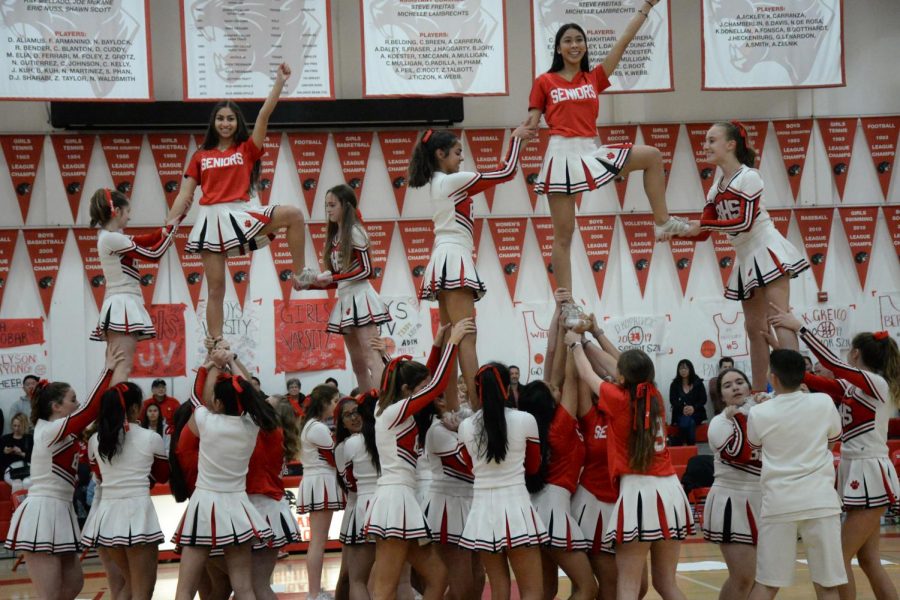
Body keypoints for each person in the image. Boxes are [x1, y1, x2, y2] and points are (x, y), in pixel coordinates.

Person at [524, 11, 691, 299]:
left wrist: (646, 8)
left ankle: (662, 220)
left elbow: (623, 43)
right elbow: (531, 121)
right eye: (567, 40)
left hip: (591, 150)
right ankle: (566, 303)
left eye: (579, 40)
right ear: (558, 48)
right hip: (561, 155)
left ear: (585, 46)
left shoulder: (594, 77)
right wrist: (521, 134)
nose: (574, 45)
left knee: (651, 155)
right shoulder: (544, 82)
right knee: (564, 235)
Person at [166, 63, 316, 351]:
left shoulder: (246, 148)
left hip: (241, 213)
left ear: (237, 123)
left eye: (230, 119)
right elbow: (185, 195)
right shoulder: (200, 156)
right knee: (216, 289)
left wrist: (279, 83)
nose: (225, 123)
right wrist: (167, 225)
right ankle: (215, 343)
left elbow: (263, 115)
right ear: (213, 123)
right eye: (220, 118)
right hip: (210, 221)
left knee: (294, 215)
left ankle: (299, 275)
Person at [769, 308, 900, 600]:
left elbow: (831, 364)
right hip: (857, 472)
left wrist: (800, 327)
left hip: (870, 474)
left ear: (855, 354)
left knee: (838, 559)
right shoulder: (851, 388)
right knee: (868, 560)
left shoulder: (877, 384)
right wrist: (778, 348)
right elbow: (804, 377)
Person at [408, 125, 535, 409]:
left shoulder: (441, 182)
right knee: (465, 335)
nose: (462, 158)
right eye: (457, 152)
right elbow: (505, 173)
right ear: (440, 154)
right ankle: (478, 409)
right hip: (453, 257)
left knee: (451, 337)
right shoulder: (447, 181)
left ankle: (453, 408)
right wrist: (515, 141)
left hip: (446, 256)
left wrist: (519, 145)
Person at [678, 122, 809, 391]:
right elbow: (703, 233)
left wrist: (700, 225)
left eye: (712, 140)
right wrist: (675, 230)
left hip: (766, 247)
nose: (706, 146)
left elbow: (744, 222)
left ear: (731, 144)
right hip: (745, 256)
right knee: (754, 328)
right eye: (705, 140)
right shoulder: (715, 189)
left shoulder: (749, 176)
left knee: (779, 317)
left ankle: (797, 389)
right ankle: (760, 392)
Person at [569, 336, 692, 600]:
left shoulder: (618, 398)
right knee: (667, 584)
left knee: (627, 584)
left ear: (621, 378)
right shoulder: (655, 394)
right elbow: (621, 365)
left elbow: (586, 372)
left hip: (639, 492)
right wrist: (591, 337)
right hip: (671, 490)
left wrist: (574, 344)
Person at [365, 318, 472, 600]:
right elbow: (435, 386)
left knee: (438, 576)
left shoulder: (394, 406)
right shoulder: (391, 412)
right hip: (394, 500)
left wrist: (437, 344)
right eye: (419, 388)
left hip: (404, 499)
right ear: (405, 391)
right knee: (385, 588)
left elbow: (426, 379)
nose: (426, 393)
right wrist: (453, 343)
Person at [4, 348, 120, 600]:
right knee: (51, 594)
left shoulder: (62, 431)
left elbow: (96, 414)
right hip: (42, 513)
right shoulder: (49, 430)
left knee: (73, 585)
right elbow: (90, 410)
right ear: (56, 406)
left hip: (61, 510)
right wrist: (108, 369)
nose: (76, 404)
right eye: (72, 399)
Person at [172, 350, 277, 600]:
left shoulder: (206, 420)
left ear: (217, 403)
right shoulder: (251, 426)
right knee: (244, 587)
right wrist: (230, 360)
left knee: (185, 588)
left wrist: (209, 365)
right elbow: (255, 396)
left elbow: (196, 395)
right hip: (237, 506)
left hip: (204, 505)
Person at [746, 349, 846, 600]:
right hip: (821, 501)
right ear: (804, 375)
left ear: (773, 378)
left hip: (779, 503)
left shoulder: (759, 412)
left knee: (767, 584)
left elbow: (756, 448)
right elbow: (832, 441)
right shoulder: (823, 402)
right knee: (828, 585)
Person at [457, 364, 547, 600]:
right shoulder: (526, 420)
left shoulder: (465, 427)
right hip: (517, 508)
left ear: (478, 390)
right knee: (532, 591)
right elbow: (535, 467)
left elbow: (470, 468)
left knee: (498, 589)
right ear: (507, 388)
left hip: (483, 511)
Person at [80, 381, 170, 600]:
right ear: (133, 408)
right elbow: (163, 476)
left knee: (130, 584)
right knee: (142, 591)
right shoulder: (151, 437)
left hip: (108, 516)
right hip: (137, 513)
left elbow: (99, 476)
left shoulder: (94, 440)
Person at [89, 188, 181, 384]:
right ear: (117, 211)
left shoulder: (109, 236)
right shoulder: (111, 238)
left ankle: (113, 412)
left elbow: (143, 240)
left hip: (121, 302)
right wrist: (171, 234)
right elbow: (153, 255)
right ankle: (116, 414)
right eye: (128, 212)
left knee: (117, 368)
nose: (129, 217)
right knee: (123, 368)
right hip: (122, 303)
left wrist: (165, 230)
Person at [311, 184, 391, 392]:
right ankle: (367, 404)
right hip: (346, 298)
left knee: (372, 358)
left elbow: (367, 271)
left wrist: (332, 277)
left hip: (361, 298)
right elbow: (339, 279)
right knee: (357, 364)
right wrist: (309, 284)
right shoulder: (335, 235)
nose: (328, 210)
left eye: (332, 205)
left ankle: (381, 406)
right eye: (326, 205)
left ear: (345, 206)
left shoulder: (355, 231)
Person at [704, 368, 765, 600]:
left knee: (764, 578)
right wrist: (738, 418)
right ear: (721, 396)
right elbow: (740, 454)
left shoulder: (762, 413)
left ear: (749, 387)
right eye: (728, 385)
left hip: (763, 500)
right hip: (732, 500)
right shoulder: (719, 423)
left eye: (740, 382)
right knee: (743, 577)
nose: (736, 387)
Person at [423, 394, 482, 600]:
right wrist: (461, 431)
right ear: (438, 402)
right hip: (448, 506)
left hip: (470, 503)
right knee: (462, 584)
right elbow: (471, 466)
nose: (457, 395)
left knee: (478, 577)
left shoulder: (460, 422)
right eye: (447, 394)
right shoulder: (437, 430)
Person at [248, 397, 302, 600]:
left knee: (258, 586)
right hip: (266, 506)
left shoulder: (269, 433)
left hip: (263, 508)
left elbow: (251, 395)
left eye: (267, 402)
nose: (261, 401)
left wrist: (232, 364)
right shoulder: (276, 434)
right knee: (252, 586)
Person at [298, 384, 345, 600]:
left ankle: (315, 592)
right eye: (334, 401)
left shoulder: (312, 425)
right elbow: (334, 459)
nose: (337, 406)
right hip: (320, 481)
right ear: (324, 403)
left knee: (318, 541)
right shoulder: (317, 427)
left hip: (316, 479)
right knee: (317, 541)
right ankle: (314, 593)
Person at [334, 391, 380, 599]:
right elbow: (349, 485)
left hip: (363, 508)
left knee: (358, 578)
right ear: (341, 422)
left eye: (357, 412)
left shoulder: (366, 440)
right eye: (348, 415)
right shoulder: (346, 446)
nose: (354, 417)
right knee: (349, 576)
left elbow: (349, 482)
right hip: (361, 509)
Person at [668, 359, 708, 446]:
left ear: (690, 369)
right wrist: (683, 409)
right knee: (689, 422)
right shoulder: (674, 384)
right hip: (680, 413)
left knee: (688, 421)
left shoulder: (698, 383)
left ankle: (679, 441)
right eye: (681, 368)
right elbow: (673, 400)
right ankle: (691, 447)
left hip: (697, 413)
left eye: (685, 368)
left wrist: (693, 408)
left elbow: (703, 399)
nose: (683, 371)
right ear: (678, 371)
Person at [1, 412, 34, 491]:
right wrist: (4, 452)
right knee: (17, 484)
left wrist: (21, 453)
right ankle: (19, 503)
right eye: (14, 425)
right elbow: (1, 462)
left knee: (27, 483)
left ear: (24, 425)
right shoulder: (5, 439)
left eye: (19, 426)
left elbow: (34, 458)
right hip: (11, 470)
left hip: (26, 469)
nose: (16, 428)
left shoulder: (29, 439)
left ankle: (25, 503)